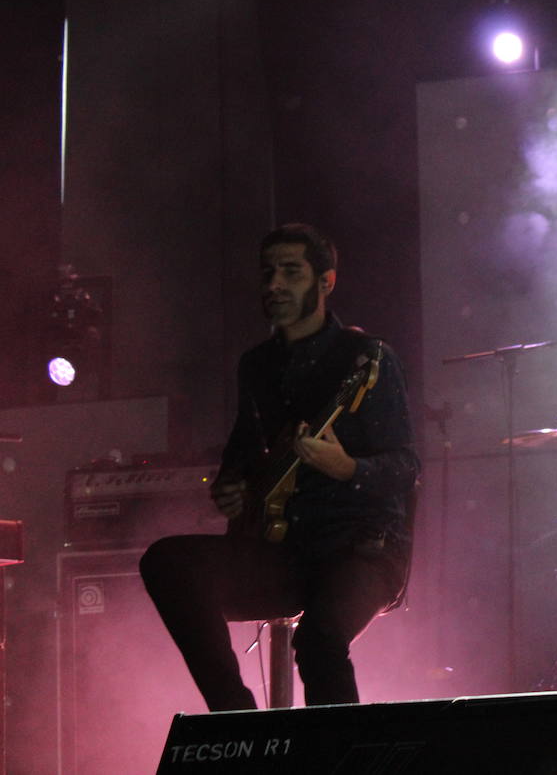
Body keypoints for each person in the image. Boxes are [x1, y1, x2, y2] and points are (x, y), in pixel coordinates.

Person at [141, 223, 419, 709]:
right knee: (167, 562)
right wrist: (232, 487)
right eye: (268, 273)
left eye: (291, 272)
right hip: (287, 550)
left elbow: (406, 466)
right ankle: (238, 721)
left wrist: (347, 468)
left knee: (318, 643)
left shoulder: (367, 358)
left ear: (325, 282)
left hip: (364, 550)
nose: (274, 285)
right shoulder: (257, 365)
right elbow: (242, 453)